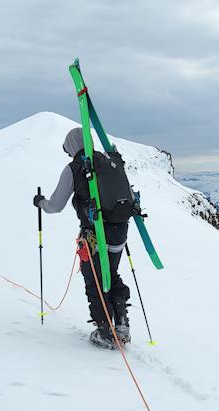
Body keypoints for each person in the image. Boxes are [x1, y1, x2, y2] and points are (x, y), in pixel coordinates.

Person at [33, 127, 136, 348]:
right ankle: (121, 320)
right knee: (111, 274)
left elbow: (55, 205)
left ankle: (106, 332)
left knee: (95, 281)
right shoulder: (109, 161)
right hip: (120, 231)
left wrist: (40, 203)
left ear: (71, 146)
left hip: (95, 235)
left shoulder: (75, 168)